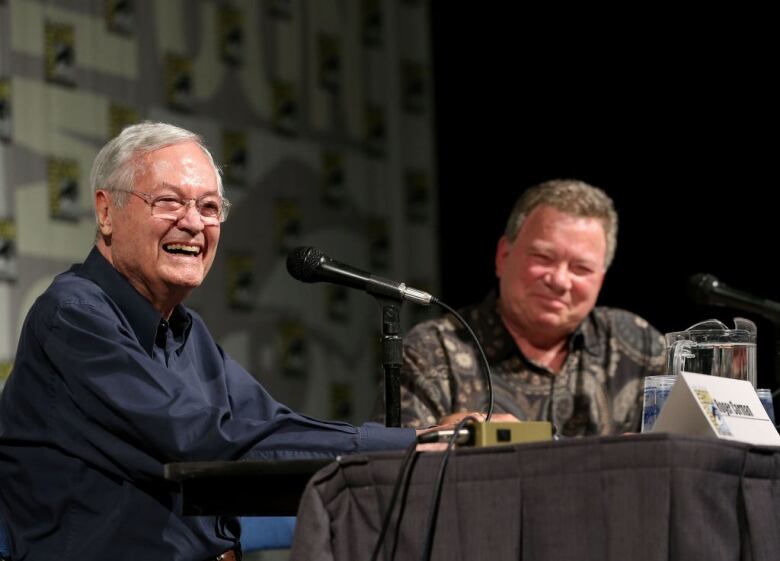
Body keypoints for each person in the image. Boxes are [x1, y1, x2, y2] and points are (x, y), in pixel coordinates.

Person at [0, 122, 445, 561]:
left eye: (209, 207)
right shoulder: (74, 316)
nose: (193, 223)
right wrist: (401, 446)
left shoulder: (186, 331)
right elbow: (204, 438)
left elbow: (270, 425)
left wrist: (414, 443)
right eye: (169, 201)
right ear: (105, 211)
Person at [380, 179, 666, 435]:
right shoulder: (433, 351)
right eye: (543, 257)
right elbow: (392, 473)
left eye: (581, 268)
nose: (559, 281)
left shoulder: (638, 346)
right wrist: (448, 437)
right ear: (503, 256)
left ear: (600, 279)